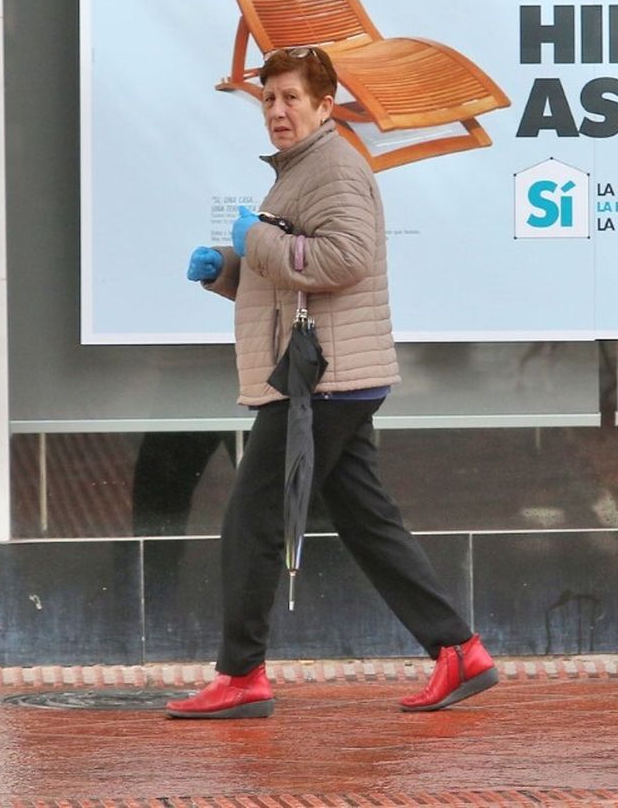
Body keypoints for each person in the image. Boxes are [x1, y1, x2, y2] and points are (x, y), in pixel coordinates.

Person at [166, 45, 496, 719]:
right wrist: (227, 267)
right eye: (269, 100)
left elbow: (343, 259)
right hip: (335, 373)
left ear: (324, 105)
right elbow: (297, 272)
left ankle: (241, 676)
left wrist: (254, 241)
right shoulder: (305, 169)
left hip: (324, 382)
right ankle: (459, 650)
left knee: (252, 520)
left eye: (292, 98)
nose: (279, 111)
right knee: (367, 521)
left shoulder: (334, 167)